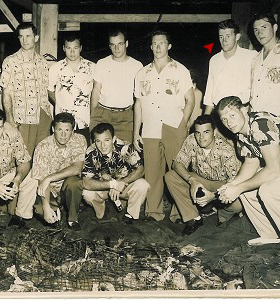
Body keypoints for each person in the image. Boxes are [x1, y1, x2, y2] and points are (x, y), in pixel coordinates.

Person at [216, 96, 280, 261]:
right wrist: (232, 185)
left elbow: (273, 171)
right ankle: (270, 233)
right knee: (246, 189)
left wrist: (239, 187)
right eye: (224, 119)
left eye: (232, 115)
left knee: (269, 190)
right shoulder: (242, 132)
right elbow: (251, 163)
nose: (228, 122)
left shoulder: (259, 123)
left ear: (244, 110)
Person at [134, 30, 195, 221]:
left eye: (162, 43)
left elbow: (190, 100)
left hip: (173, 126)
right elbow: (138, 104)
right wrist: (136, 132)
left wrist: (182, 124)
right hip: (150, 128)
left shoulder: (180, 70)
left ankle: (180, 212)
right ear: (151, 46)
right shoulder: (142, 73)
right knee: (152, 172)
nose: (158, 47)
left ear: (169, 46)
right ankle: (154, 212)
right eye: (154, 43)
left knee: (178, 171)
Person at [165, 115, 242, 235]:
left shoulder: (226, 150)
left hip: (223, 184)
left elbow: (234, 183)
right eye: (198, 133)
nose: (201, 137)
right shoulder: (192, 139)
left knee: (238, 204)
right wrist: (192, 181)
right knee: (171, 176)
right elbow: (177, 163)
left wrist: (213, 196)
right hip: (200, 180)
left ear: (214, 132)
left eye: (206, 132)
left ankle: (222, 215)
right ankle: (194, 218)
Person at [28, 112, 87, 230]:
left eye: (67, 130)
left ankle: (73, 218)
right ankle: (55, 211)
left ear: (73, 130)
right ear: (53, 129)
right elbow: (41, 180)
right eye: (60, 130)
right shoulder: (43, 146)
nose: (63, 135)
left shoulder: (79, 140)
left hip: (66, 185)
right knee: (40, 209)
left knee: (75, 183)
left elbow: (77, 168)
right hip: (49, 188)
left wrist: (49, 178)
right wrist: (46, 206)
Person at [0, 22, 52, 155]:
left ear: (36, 38)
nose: (24, 40)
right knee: (23, 156)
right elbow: (6, 92)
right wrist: (9, 118)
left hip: (43, 115)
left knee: (42, 155)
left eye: (28, 36)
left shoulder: (43, 62)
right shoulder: (10, 61)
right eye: (21, 36)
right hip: (22, 116)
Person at [82, 123, 149, 223]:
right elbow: (86, 182)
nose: (103, 145)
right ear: (94, 141)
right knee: (86, 193)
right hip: (103, 187)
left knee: (143, 184)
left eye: (107, 140)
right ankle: (102, 210)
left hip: (123, 187)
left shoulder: (124, 148)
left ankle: (130, 215)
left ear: (113, 139)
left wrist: (121, 182)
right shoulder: (91, 152)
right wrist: (113, 184)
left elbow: (141, 169)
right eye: (98, 141)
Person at [90, 28, 143, 143]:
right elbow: (96, 91)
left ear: (126, 44)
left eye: (120, 44)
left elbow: (139, 97)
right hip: (102, 114)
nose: (116, 48)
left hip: (126, 117)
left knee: (126, 155)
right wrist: (93, 115)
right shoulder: (102, 63)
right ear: (109, 46)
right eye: (113, 45)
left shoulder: (137, 66)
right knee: (98, 154)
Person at [48, 35, 95, 144]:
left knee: (83, 153)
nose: (72, 52)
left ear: (81, 48)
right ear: (64, 48)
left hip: (84, 120)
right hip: (63, 123)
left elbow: (96, 92)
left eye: (76, 48)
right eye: (69, 48)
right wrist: (62, 103)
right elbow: (50, 91)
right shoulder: (55, 68)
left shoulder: (92, 67)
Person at [203, 19, 257, 115]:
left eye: (228, 36)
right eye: (221, 37)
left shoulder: (251, 57)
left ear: (237, 37)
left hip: (243, 111)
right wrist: (205, 118)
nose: (224, 40)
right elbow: (209, 93)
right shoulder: (214, 60)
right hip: (220, 113)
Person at [250, 13, 280, 120]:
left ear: (275, 28)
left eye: (264, 27)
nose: (259, 33)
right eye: (256, 30)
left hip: (278, 122)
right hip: (256, 121)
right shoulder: (256, 59)